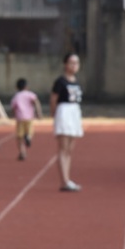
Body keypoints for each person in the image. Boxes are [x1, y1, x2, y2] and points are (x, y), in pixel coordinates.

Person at [50, 53, 83, 192]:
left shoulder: (76, 81)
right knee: (63, 148)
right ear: (65, 64)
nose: (74, 65)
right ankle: (64, 180)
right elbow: (53, 99)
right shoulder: (60, 81)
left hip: (74, 112)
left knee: (70, 149)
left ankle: (67, 179)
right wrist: (55, 115)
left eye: (77, 62)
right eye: (71, 62)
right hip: (64, 112)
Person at [9, 77, 43, 161]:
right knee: (30, 132)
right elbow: (36, 102)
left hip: (20, 118)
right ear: (26, 86)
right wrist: (38, 112)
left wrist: (13, 114)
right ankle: (28, 137)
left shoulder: (16, 96)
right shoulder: (30, 94)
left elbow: (13, 107)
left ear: (17, 87)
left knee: (19, 137)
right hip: (29, 117)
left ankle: (22, 153)